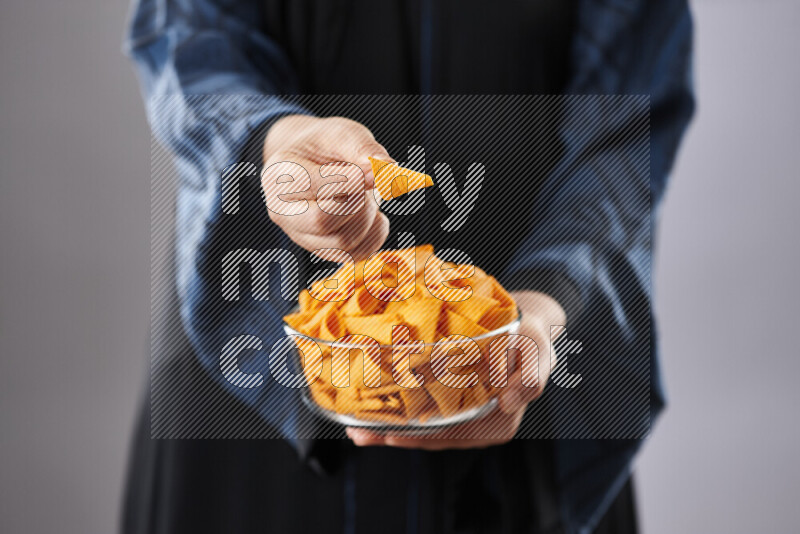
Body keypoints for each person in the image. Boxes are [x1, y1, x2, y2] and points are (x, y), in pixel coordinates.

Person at [123, 0, 694, 532]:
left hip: (527, 378)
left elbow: (626, 117)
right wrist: (274, 145)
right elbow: (188, 34)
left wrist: (549, 294)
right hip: (249, 403)